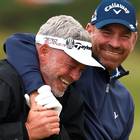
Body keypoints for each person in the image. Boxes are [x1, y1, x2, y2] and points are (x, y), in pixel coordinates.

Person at [4, 0, 138, 140]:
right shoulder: (70, 62)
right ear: (89, 30)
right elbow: (18, 42)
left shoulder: (126, 101)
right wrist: (38, 93)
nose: (115, 43)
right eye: (106, 32)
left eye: (124, 36)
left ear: (134, 40)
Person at [1, 15, 104, 140]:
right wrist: (26, 132)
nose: (75, 77)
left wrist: (53, 131)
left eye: (81, 70)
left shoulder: (72, 100)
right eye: (71, 66)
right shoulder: (5, 82)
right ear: (44, 50)